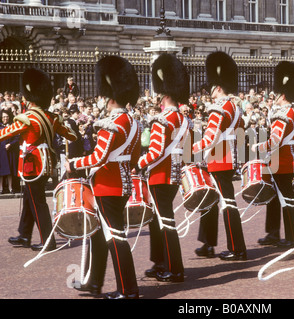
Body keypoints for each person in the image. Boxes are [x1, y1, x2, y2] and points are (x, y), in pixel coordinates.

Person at [66, 56, 141, 299]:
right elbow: (133, 155)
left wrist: (74, 163)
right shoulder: (133, 123)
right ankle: (94, 282)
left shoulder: (113, 124)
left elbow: (98, 157)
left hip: (109, 186)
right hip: (122, 183)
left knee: (116, 237)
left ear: (110, 96)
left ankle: (128, 290)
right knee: (98, 233)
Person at [4, 68, 77, 251]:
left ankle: (48, 240)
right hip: (47, 163)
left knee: (38, 203)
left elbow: (4, 133)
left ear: (28, 98)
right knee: (30, 198)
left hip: (32, 165)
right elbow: (72, 136)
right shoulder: (52, 118)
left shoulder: (27, 118)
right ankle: (24, 234)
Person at [138, 53, 191, 283]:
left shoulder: (163, 120)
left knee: (165, 222)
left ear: (166, 95)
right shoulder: (183, 120)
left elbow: (156, 151)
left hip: (160, 176)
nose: (159, 99)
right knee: (158, 220)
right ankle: (159, 262)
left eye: (161, 95)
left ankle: (174, 268)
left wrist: (137, 164)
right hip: (174, 174)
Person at [192, 51, 247, 261]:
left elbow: (210, 138)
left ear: (217, 87)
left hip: (218, 160)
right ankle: (207, 243)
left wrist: (190, 151)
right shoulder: (234, 107)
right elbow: (241, 135)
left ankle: (237, 248)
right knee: (211, 200)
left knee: (227, 203)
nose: (209, 92)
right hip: (228, 158)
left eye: (211, 88)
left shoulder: (219, 108)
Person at [253, 61, 294, 248]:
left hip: (281, 161)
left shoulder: (282, 114)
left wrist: (259, 146)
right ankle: (274, 233)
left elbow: (275, 140)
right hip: (289, 160)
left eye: (276, 95)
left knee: (285, 199)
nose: (274, 98)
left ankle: (292, 236)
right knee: (276, 199)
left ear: (282, 95)